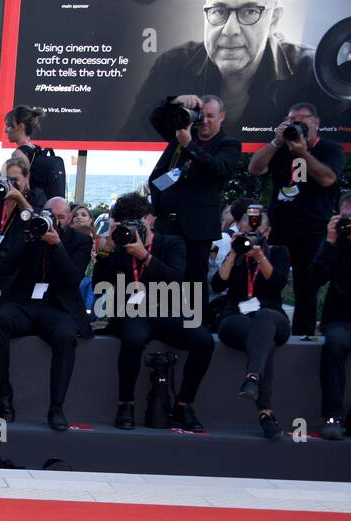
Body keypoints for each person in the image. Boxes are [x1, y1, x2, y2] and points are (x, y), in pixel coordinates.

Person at [120, 1, 341, 141]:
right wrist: (171, 106)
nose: (230, 31)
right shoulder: (172, 64)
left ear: (273, 20)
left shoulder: (315, 71)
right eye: (218, 11)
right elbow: (132, 138)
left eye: (250, 11)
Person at [93, 192, 213, 431]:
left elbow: (176, 278)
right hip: (132, 312)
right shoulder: (119, 246)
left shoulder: (171, 243)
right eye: (124, 223)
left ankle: (183, 404)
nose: (131, 229)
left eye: (134, 222)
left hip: (168, 310)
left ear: (149, 219)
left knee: (204, 341)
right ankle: (125, 403)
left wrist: (145, 256)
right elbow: (99, 284)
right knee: (133, 338)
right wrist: (106, 250)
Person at [0, 197, 93, 431]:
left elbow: (73, 278)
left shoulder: (80, 241)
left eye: (60, 217)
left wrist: (57, 245)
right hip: (25, 304)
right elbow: (4, 269)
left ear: (68, 218)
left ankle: (56, 408)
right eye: (49, 215)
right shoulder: (30, 233)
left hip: (58, 307)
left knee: (66, 337)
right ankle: (4, 395)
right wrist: (29, 238)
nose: (53, 221)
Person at [246, 103, 345, 336]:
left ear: (316, 123)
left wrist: (302, 153)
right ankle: (270, 330)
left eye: (302, 119)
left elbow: (328, 179)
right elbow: (254, 168)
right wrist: (275, 143)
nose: (297, 124)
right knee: (270, 281)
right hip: (279, 228)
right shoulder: (281, 149)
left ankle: (303, 337)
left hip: (311, 230)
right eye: (292, 120)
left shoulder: (330, 149)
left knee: (306, 288)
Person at [144, 94, 241, 286]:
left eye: (210, 116)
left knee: (193, 284)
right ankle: (165, 316)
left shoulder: (228, 144)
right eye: (201, 115)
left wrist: (189, 144)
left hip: (196, 229)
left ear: (222, 116)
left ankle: (195, 317)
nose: (204, 121)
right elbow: (156, 118)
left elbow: (219, 169)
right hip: (166, 225)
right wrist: (176, 101)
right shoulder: (183, 132)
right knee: (162, 281)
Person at [212, 211, 290, 440]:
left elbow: (277, 284)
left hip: (273, 317)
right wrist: (235, 252)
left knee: (264, 319)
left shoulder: (279, 252)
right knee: (262, 340)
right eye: (246, 232)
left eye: (255, 233)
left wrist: (260, 257)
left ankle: (253, 378)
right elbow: (217, 285)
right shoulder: (235, 253)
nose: (250, 237)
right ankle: (265, 412)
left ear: (268, 232)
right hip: (236, 318)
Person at [312, 194, 351, 440]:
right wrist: (330, 241)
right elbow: (315, 278)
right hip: (339, 318)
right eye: (346, 218)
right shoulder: (334, 242)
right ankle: (331, 417)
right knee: (335, 345)